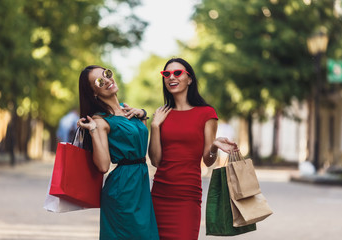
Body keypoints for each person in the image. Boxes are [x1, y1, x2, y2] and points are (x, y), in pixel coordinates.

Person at [149, 58, 235, 239]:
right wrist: (155, 126)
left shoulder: (206, 113)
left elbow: (208, 160)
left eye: (177, 73)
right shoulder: (161, 114)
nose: (171, 77)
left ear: (189, 79)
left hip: (187, 197)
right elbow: (156, 161)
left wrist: (213, 147)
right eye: (167, 74)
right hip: (159, 195)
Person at [76, 65, 159, 240]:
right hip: (123, 189)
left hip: (140, 184)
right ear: (93, 93)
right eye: (99, 81)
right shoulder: (100, 120)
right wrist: (93, 130)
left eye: (107, 74)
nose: (107, 80)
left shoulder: (128, 110)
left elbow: (140, 145)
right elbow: (103, 165)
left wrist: (143, 115)